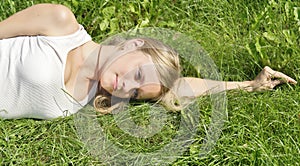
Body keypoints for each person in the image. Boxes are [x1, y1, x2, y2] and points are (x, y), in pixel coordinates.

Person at [0, 3, 297, 119]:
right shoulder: (60, 24)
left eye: (135, 93)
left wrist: (247, 85)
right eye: (139, 75)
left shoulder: (95, 94)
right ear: (133, 44)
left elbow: (178, 87)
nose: (127, 86)